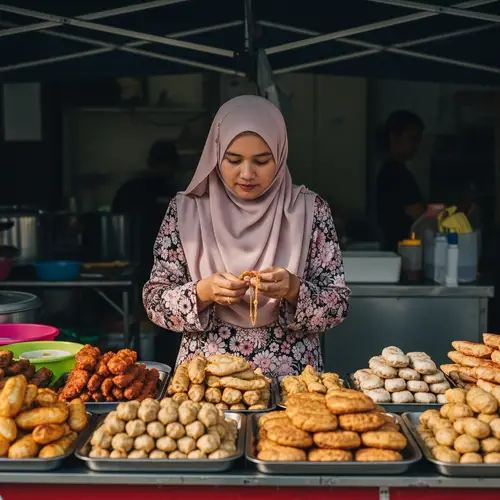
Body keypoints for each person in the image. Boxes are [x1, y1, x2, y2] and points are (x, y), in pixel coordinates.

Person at [143, 96, 351, 377]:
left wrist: (294, 290)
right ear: (216, 154)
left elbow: (338, 305)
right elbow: (154, 302)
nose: (247, 173)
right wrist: (203, 292)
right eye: (234, 159)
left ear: (280, 154)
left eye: (262, 161)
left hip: (293, 385)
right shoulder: (185, 211)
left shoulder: (311, 210)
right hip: (205, 382)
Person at [112, 140, 180, 278]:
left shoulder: (178, 193)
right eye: (161, 163)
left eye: (167, 163)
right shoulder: (132, 190)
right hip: (135, 257)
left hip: (166, 260)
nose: (164, 168)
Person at [376, 110, 426, 251]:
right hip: (403, 251)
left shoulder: (389, 171)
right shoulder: (396, 174)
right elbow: (421, 217)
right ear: (395, 138)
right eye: (412, 139)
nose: (417, 147)